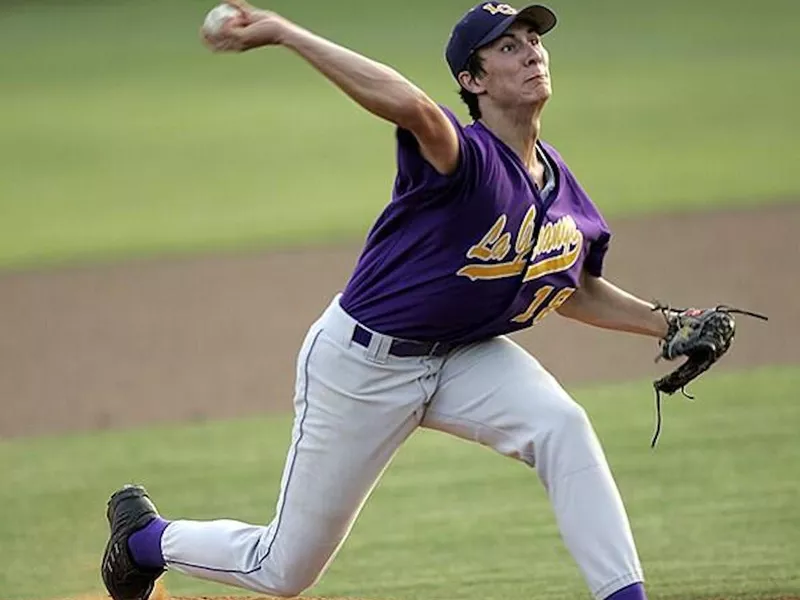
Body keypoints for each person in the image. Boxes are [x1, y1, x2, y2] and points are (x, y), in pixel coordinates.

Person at [101, 3, 675, 599]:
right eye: (507, 46)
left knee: (562, 425)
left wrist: (668, 324)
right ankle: (144, 539)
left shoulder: (555, 180)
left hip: (464, 356)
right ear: (472, 81)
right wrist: (286, 34)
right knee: (282, 571)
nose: (531, 51)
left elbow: (571, 284)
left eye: (533, 40)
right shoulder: (464, 156)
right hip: (363, 366)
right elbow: (414, 107)